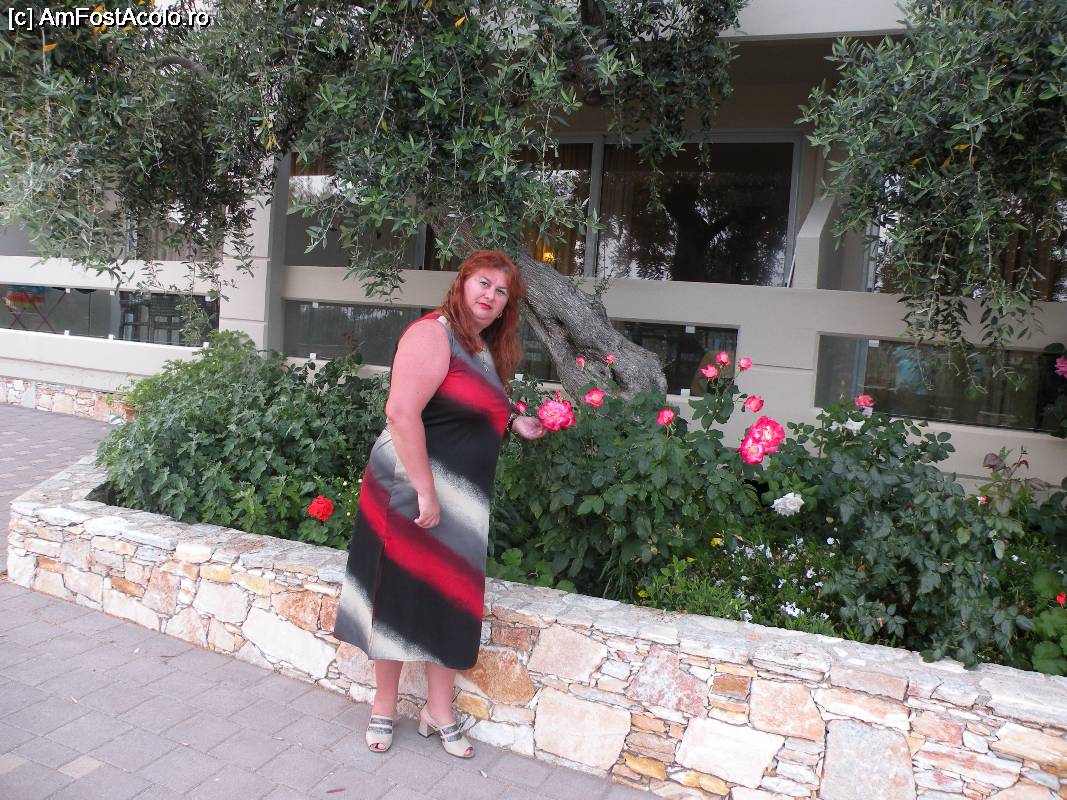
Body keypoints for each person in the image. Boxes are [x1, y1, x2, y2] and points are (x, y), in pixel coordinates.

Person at [332, 250, 545, 759]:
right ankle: (383, 706)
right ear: (462, 282)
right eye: (483, 283)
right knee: (394, 596)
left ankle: (438, 711)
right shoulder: (433, 334)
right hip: (409, 488)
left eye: (501, 291)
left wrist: (513, 421)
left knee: (450, 597)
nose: (491, 296)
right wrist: (426, 490)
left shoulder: (480, 347)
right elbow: (401, 412)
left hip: (461, 498)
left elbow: (469, 402)